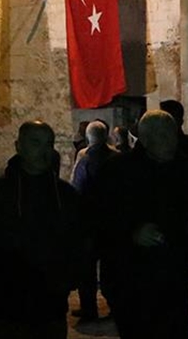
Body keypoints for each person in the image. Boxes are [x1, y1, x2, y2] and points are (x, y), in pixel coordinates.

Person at [0, 121, 85, 339]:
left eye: (48, 144)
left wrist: (67, 280)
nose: (44, 151)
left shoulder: (65, 195)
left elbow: (80, 240)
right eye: (35, 143)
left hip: (50, 307)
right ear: (18, 146)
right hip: (4, 307)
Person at [95, 110, 188, 339]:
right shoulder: (117, 171)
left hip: (173, 278)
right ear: (144, 138)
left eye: (172, 134)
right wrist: (131, 234)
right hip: (132, 280)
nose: (170, 141)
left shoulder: (185, 168)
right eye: (162, 135)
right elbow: (99, 220)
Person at [70, 120, 119, 321]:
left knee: (87, 270)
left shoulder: (85, 160)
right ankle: (116, 307)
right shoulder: (118, 158)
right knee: (112, 267)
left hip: (89, 223)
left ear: (89, 138)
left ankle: (89, 309)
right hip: (111, 222)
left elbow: (77, 190)